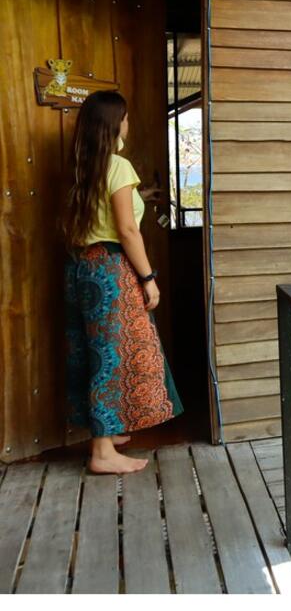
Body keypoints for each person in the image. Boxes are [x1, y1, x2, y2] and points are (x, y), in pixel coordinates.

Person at [61, 90, 182, 474]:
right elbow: (127, 230)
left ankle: (107, 432)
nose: (128, 123)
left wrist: (139, 195)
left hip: (80, 267)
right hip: (110, 269)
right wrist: (148, 278)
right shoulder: (118, 166)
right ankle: (102, 453)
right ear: (116, 124)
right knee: (111, 355)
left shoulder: (83, 166)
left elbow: (104, 211)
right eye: (125, 117)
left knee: (91, 351)